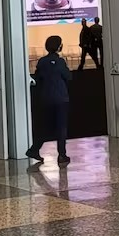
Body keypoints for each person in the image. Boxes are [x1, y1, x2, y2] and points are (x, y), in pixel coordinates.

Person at [25, 36, 73, 165]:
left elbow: (38, 76)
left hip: (46, 98)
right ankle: (62, 155)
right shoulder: (60, 62)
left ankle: (34, 149)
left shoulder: (42, 62)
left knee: (45, 126)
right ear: (59, 46)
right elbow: (68, 76)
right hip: (61, 98)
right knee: (61, 127)